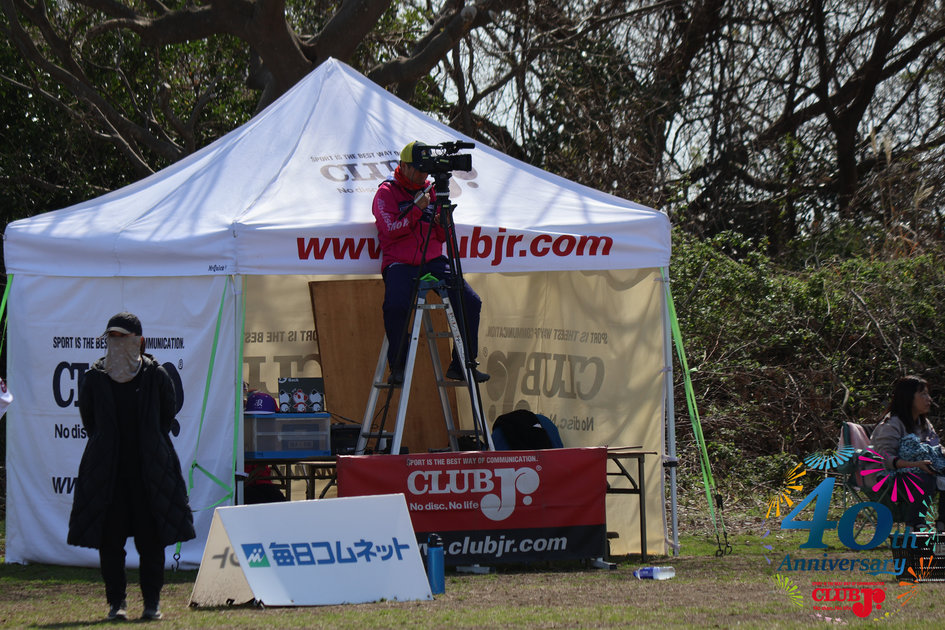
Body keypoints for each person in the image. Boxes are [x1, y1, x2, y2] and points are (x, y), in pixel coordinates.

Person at [67, 312, 195, 621]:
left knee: (151, 541)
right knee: (109, 542)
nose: (117, 342)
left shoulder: (156, 375)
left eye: (123, 337)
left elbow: (166, 417)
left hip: (150, 473)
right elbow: (90, 422)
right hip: (108, 473)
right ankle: (117, 604)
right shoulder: (94, 377)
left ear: (139, 341)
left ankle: (152, 604)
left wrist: (148, 445)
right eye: (112, 337)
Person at [372, 140, 489, 385]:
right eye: (418, 169)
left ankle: (463, 364)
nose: (423, 175)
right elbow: (390, 229)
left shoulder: (432, 189)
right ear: (403, 165)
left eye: (426, 170)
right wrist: (417, 209)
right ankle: (398, 367)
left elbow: (442, 236)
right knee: (396, 306)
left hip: (433, 260)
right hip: (400, 263)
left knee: (471, 301)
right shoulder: (386, 192)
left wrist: (442, 223)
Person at [870, 375, 945, 531]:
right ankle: (915, 524)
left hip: (921, 470)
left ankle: (942, 524)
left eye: (928, 394)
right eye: (923, 394)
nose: (929, 399)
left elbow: (936, 447)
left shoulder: (924, 423)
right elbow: (884, 457)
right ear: (908, 397)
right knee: (924, 479)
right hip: (891, 474)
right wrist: (914, 464)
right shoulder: (892, 424)